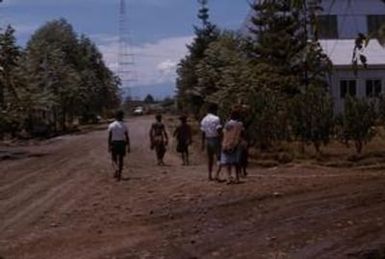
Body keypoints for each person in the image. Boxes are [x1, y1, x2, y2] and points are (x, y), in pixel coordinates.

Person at [221, 110, 243, 184]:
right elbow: (241, 133)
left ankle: (228, 178)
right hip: (235, 144)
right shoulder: (239, 124)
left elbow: (224, 132)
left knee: (228, 162)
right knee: (236, 162)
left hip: (226, 144)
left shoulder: (227, 124)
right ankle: (237, 178)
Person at [200, 104, 222, 181]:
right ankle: (217, 174)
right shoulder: (216, 118)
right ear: (214, 110)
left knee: (210, 158)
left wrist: (202, 143)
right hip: (215, 139)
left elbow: (203, 132)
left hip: (208, 140)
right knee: (219, 158)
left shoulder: (204, 119)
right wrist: (222, 139)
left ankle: (209, 175)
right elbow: (219, 130)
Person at [108, 110, 130, 181]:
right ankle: (119, 174)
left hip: (114, 143)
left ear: (115, 116)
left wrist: (109, 145)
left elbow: (110, 137)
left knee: (114, 159)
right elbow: (127, 136)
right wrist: (128, 146)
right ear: (122, 116)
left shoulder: (111, 125)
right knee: (121, 159)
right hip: (122, 143)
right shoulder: (124, 125)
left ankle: (116, 169)